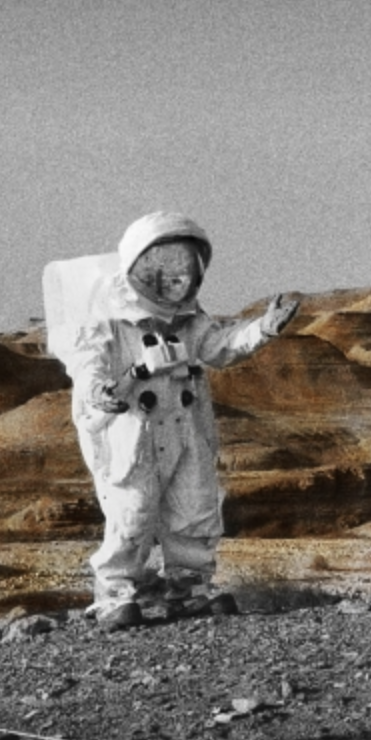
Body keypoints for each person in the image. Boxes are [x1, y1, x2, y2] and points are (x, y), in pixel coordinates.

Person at [67, 212, 300, 627]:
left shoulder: (190, 318)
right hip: (133, 432)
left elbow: (221, 346)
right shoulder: (107, 316)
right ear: (137, 262)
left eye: (182, 267)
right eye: (162, 265)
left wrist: (263, 329)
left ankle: (189, 586)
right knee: (132, 513)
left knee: (195, 510)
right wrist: (99, 390)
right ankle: (115, 592)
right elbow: (88, 364)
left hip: (186, 428)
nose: (173, 277)